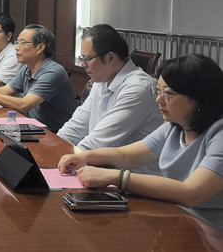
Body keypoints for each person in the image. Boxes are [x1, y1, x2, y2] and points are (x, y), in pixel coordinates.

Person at [58, 54, 223, 230]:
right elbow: (126, 156)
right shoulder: (175, 127)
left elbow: (191, 194)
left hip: (209, 230)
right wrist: (86, 156)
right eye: (158, 91)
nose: (159, 100)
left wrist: (117, 177)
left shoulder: (218, 135)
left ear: (199, 98)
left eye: (168, 93)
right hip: (175, 218)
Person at [57, 24, 163, 163]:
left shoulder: (137, 89)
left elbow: (97, 143)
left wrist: (64, 160)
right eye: (82, 58)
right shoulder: (102, 80)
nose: (83, 64)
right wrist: (54, 149)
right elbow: (76, 125)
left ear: (110, 58)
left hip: (131, 174)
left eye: (87, 59)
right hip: (102, 167)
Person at [0, 24, 77, 132]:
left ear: (40, 47)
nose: (17, 47)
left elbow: (24, 105)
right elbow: (5, 91)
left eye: (22, 43)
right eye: (17, 42)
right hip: (35, 127)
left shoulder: (53, 72)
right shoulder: (26, 69)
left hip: (57, 134)